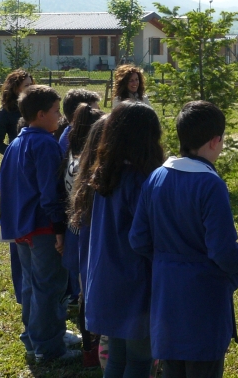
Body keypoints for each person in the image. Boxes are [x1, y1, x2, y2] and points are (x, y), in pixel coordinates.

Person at [128, 101, 238, 378]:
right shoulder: (211, 184)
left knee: (173, 369)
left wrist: (166, 261)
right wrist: (237, 268)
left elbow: (138, 238)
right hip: (204, 296)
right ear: (216, 141)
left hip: (166, 294)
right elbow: (223, 250)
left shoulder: (156, 177)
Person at [0, 84, 82, 363]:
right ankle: (48, 347)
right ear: (41, 114)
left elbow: (5, 184)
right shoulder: (45, 143)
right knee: (49, 286)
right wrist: (59, 230)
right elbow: (51, 193)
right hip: (43, 227)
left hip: (21, 227)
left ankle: (37, 338)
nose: (60, 118)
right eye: (57, 112)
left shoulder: (18, 141)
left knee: (32, 285)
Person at [85, 102, 164, 378]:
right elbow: (146, 237)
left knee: (117, 357)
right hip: (134, 283)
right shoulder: (142, 180)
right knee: (141, 361)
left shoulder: (105, 173)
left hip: (106, 280)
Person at [68, 114, 109, 368]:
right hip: (101, 252)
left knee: (87, 296)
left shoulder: (85, 170)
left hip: (88, 251)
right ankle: (97, 352)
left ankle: (91, 353)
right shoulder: (104, 176)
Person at [0, 69, 33, 306]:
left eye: (31, 84)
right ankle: (22, 291)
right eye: (25, 85)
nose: (29, 88)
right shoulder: (7, 112)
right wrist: (12, 150)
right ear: (14, 87)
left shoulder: (36, 106)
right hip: (16, 169)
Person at [58, 89, 101, 155]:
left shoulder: (72, 133)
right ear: (80, 113)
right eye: (95, 112)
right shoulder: (70, 140)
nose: (99, 115)